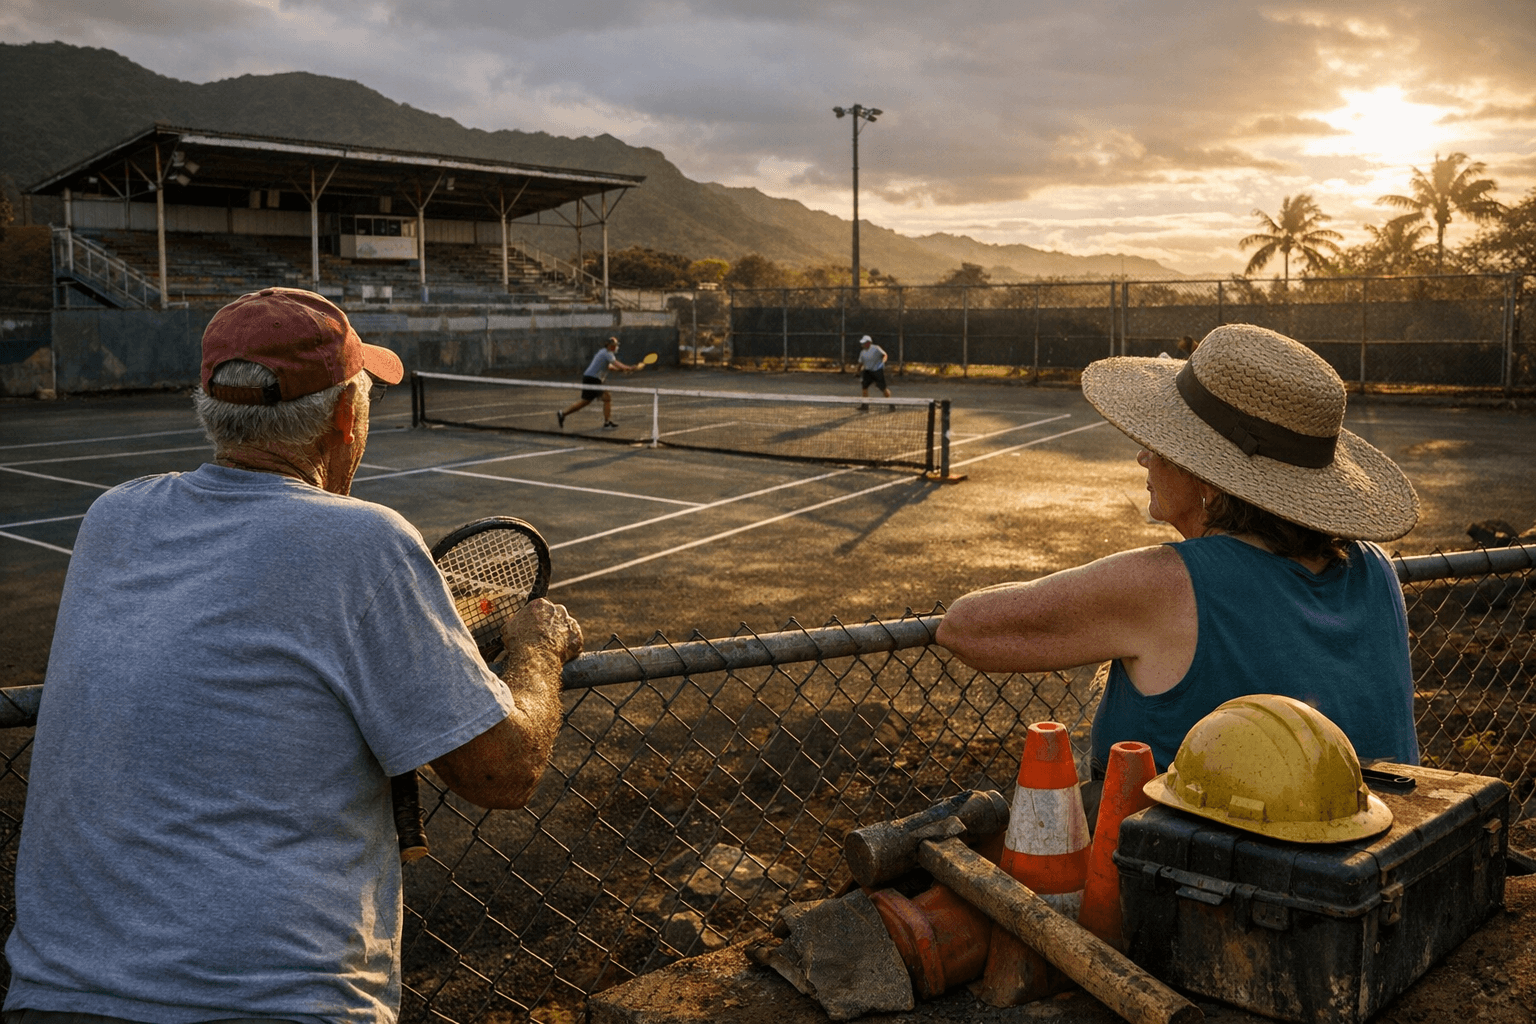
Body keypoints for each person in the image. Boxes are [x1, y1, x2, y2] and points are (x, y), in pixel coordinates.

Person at [4, 287, 583, 1024]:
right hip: (274, 1003)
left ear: (212, 408)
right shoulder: (366, 542)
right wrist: (538, 649)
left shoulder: (113, 518)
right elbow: (503, 772)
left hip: (57, 997)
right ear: (345, 417)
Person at [936, 323, 1421, 780]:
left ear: (1209, 480)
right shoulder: (1373, 566)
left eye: (1164, 444)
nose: (1143, 455)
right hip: (1381, 834)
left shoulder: (1171, 584)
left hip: (1194, 846)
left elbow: (966, 627)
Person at [559, 336, 645, 430]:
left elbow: (610, 367)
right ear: (608, 345)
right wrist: (631, 368)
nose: (615, 347)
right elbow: (617, 364)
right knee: (607, 398)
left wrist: (624, 370)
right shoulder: (607, 353)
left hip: (589, 378)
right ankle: (607, 423)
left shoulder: (604, 352)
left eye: (616, 345)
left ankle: (562, 414)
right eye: (613, 345)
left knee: (585, 402)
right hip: (593, 379)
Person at [856, 335, 892, 410]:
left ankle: (891, 404)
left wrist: (884, 360)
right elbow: (860, 363)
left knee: (883, 389)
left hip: (877, 371)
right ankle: (865, 405)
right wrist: (857, 372)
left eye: (864, 343)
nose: (862, 344)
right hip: (868, 371)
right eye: (862, 343)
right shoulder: (862, 352)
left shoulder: (876, 348)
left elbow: (884, 355)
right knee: (864, 388)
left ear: (869, 343)